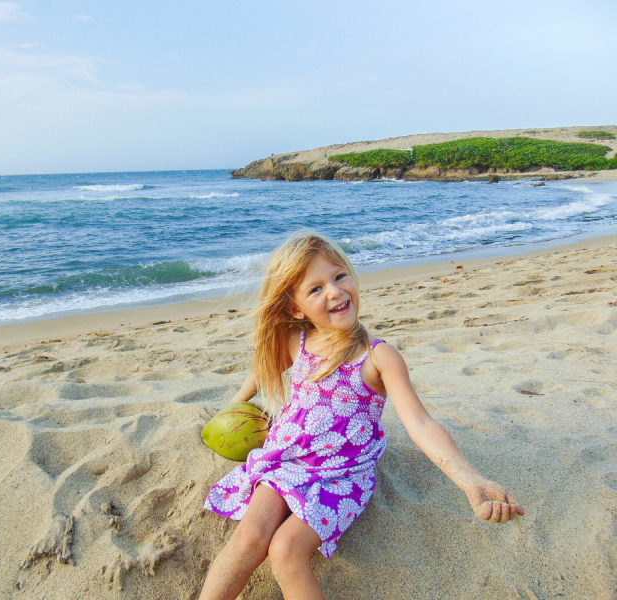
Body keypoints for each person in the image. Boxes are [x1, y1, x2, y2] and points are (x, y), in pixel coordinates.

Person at [199, 231, 524, 600]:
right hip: (287, 460)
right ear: (295, 308)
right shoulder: (297, 341)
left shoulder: (377, 358)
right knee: (249, 538)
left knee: (285, 551)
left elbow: (420, 423)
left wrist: (470, 481)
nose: (335, 292)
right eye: (315, 289)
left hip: (341, 474)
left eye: (339, 276)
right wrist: (235, 404)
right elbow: (262, 367)